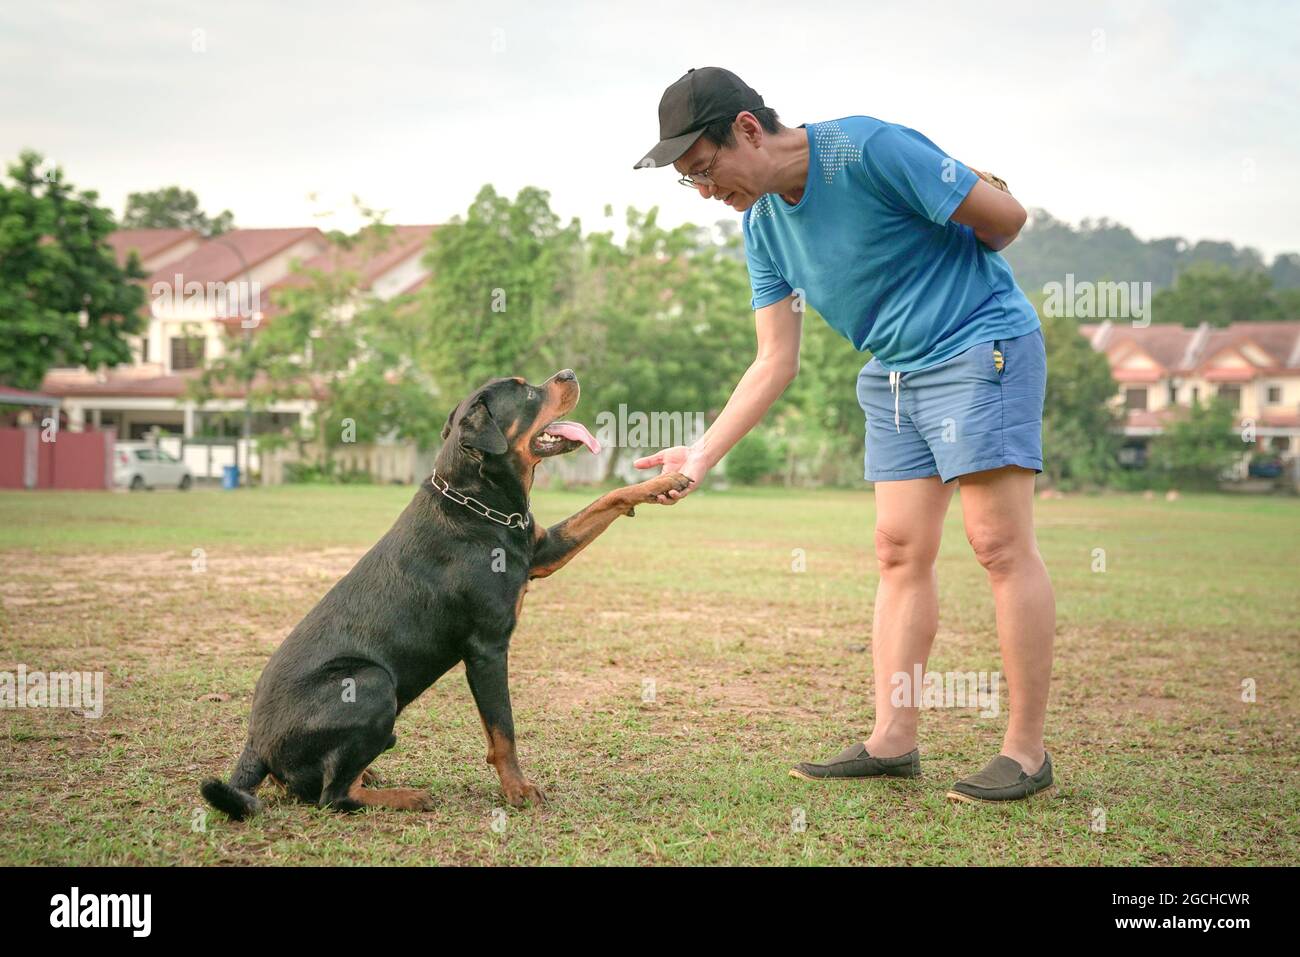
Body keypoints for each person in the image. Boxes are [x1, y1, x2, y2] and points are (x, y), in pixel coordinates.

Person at [631, 67, 1055, 803]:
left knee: (997, 544)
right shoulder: (763, 226)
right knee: (897, 549)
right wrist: (703, 451)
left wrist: (965, 204)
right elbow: (775, 359)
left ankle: (1025, 751)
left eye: (705, 169)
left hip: (977, 343)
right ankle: (894, 739)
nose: (704, 191)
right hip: (893, 373)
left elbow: (1007, 220)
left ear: (747, 129)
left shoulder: (864, 149)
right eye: (688, 181)